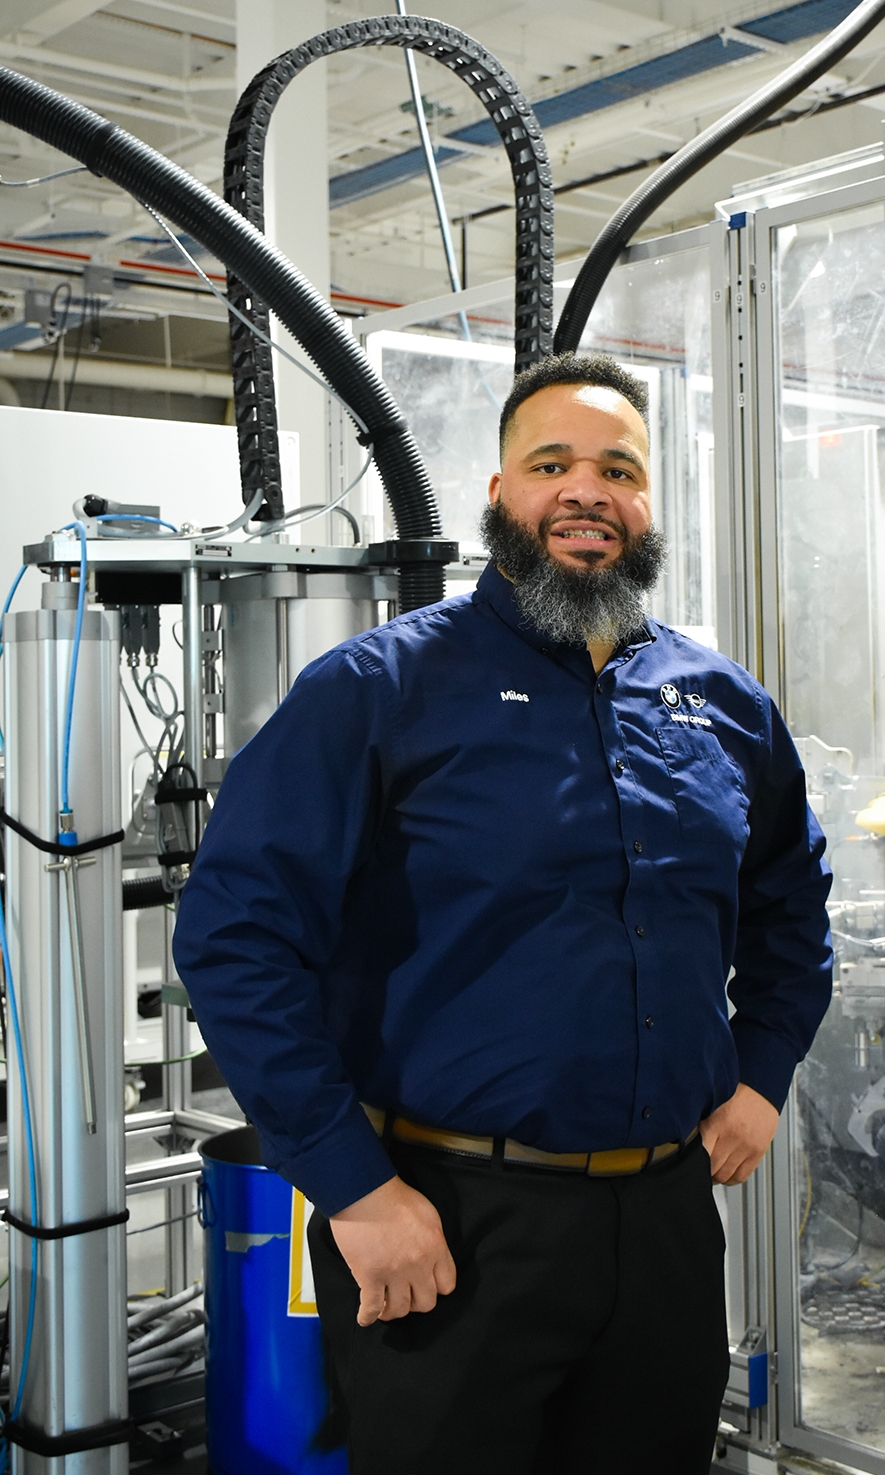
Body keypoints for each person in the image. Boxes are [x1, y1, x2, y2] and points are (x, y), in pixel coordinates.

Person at [174, 352, 833, 1475]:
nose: (586, 490)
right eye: (551, 463)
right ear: (497, 496)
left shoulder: (724, 704)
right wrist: (354, 1187)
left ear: (646, 503)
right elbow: (234, 940)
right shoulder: (378, 690)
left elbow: (789, 910)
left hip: (666, 1222)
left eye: (617, 468)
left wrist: (762, 1071)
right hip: (443, 1217)